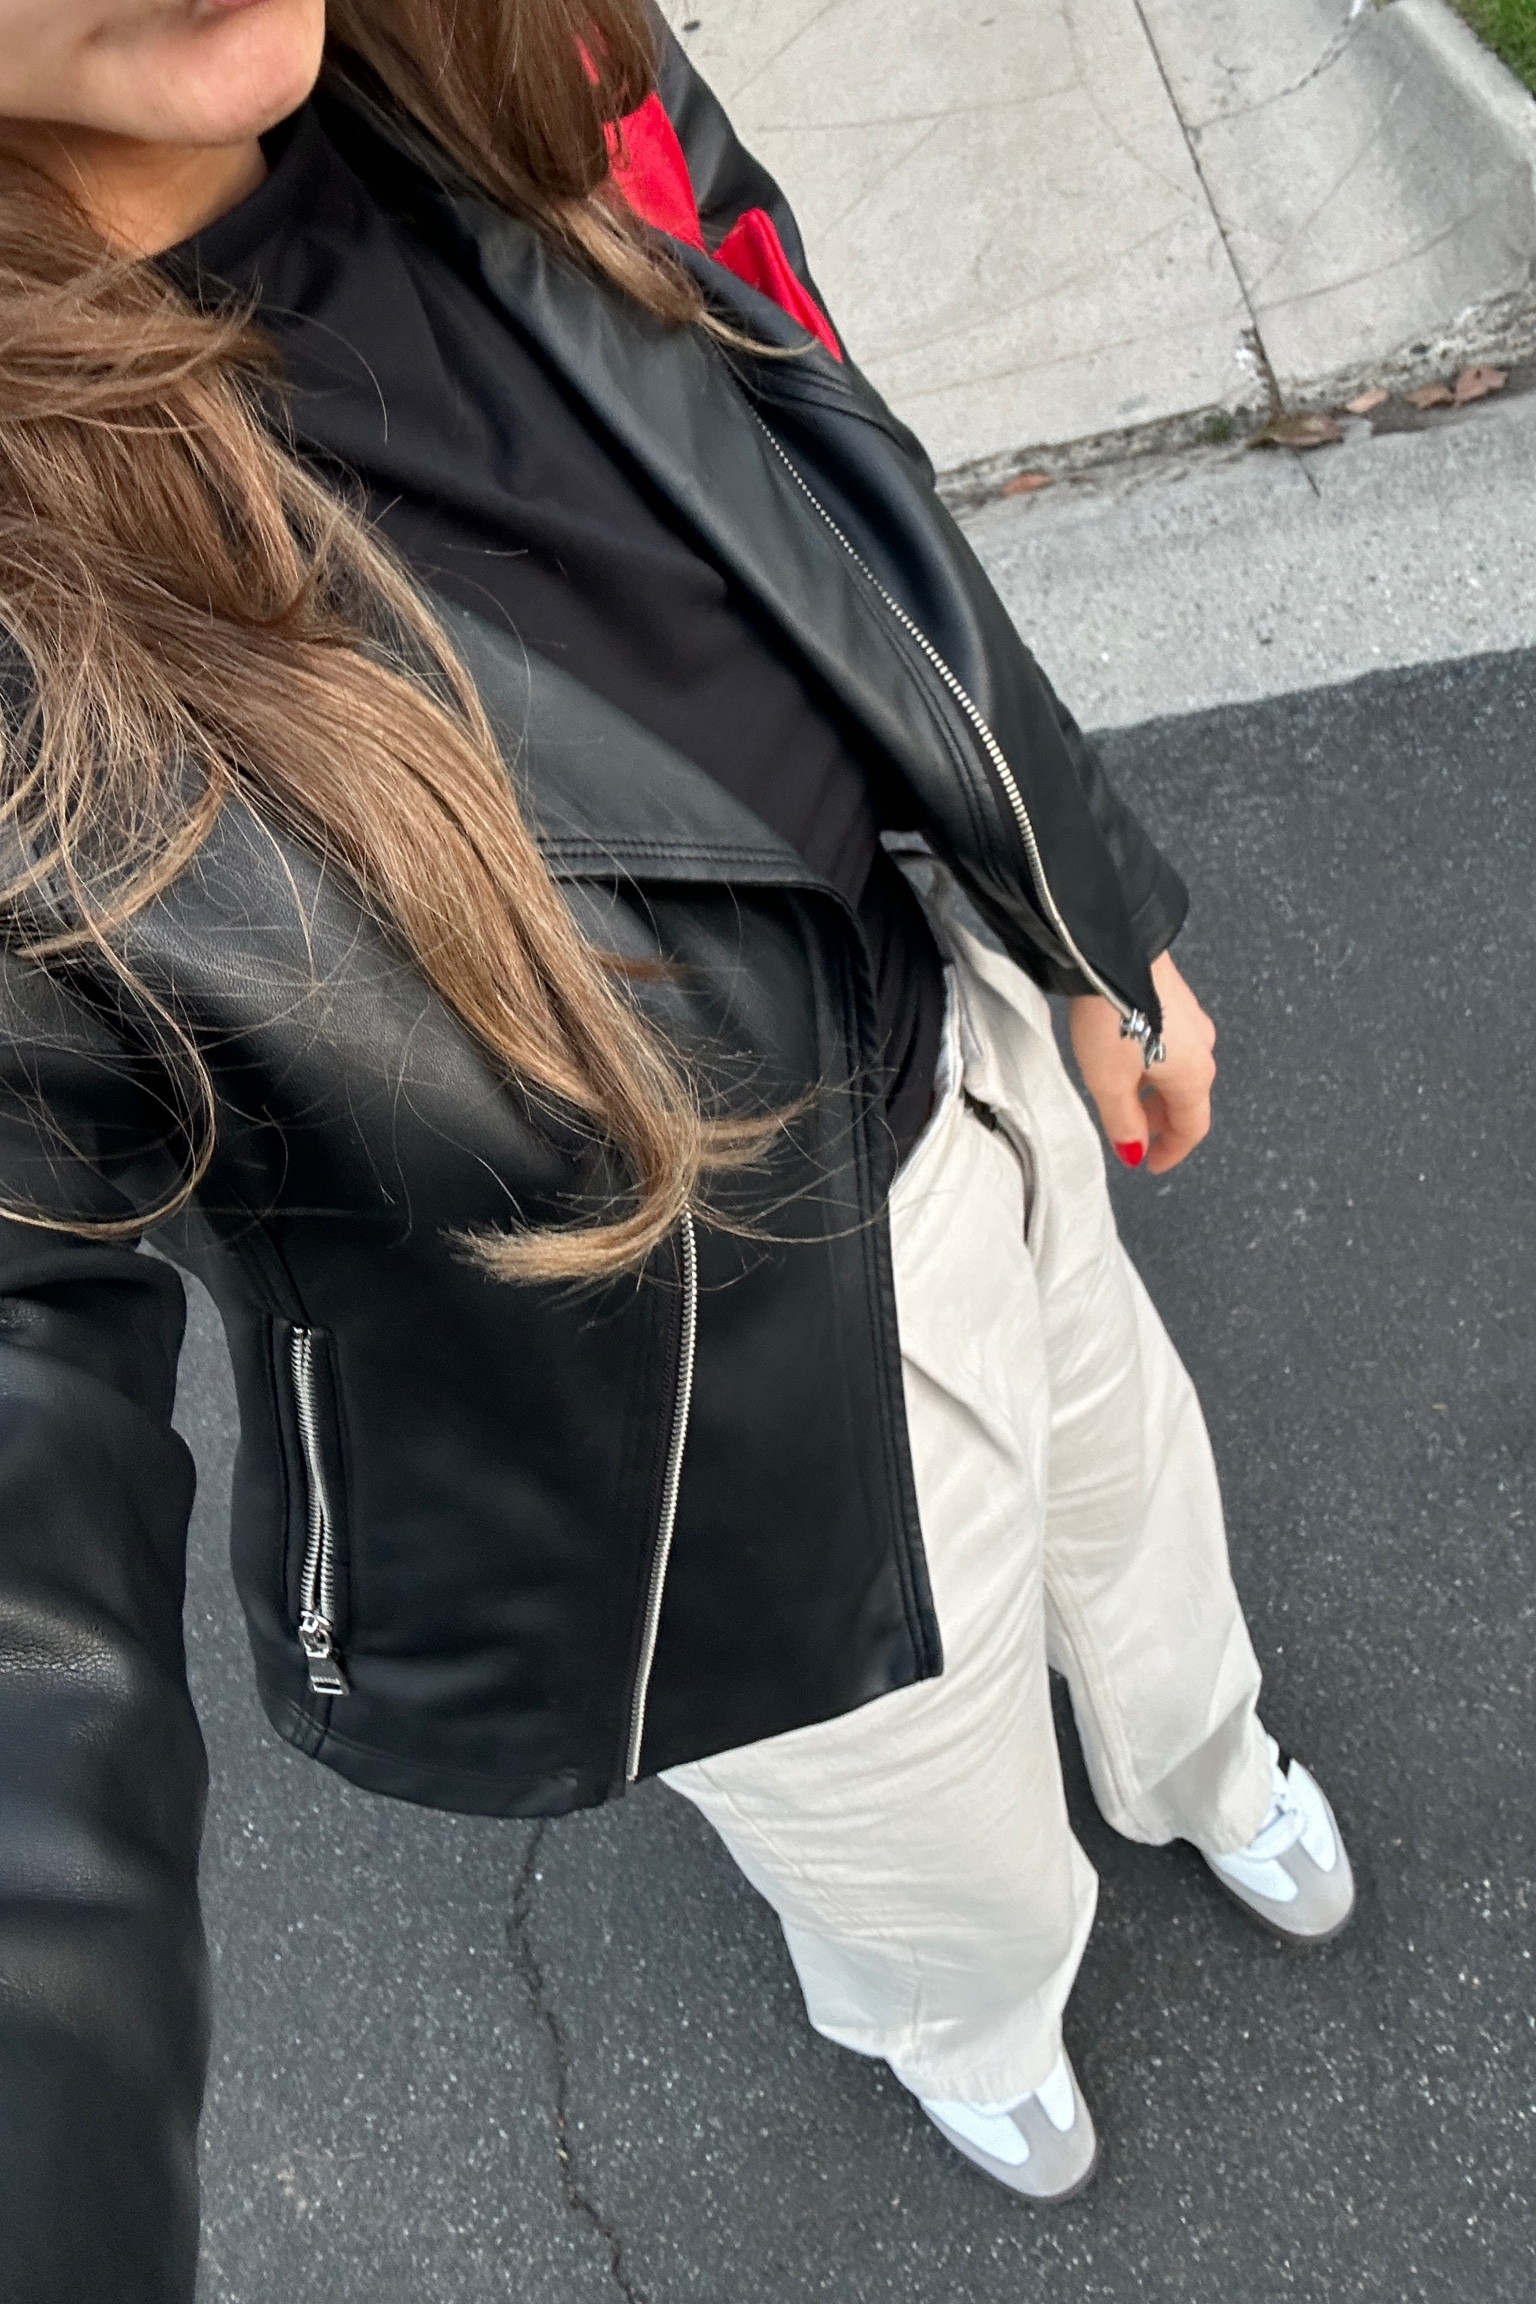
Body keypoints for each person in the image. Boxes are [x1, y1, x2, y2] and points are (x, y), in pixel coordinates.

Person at [0, 1, 1356, 2290]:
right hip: (675, 1409)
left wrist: (1089, 917)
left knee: (1145, 1511)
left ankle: (1205, 1760)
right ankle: (972, 2017)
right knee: (922, 1830)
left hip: (966, 1041)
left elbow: (835, 458)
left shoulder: (512, 48)